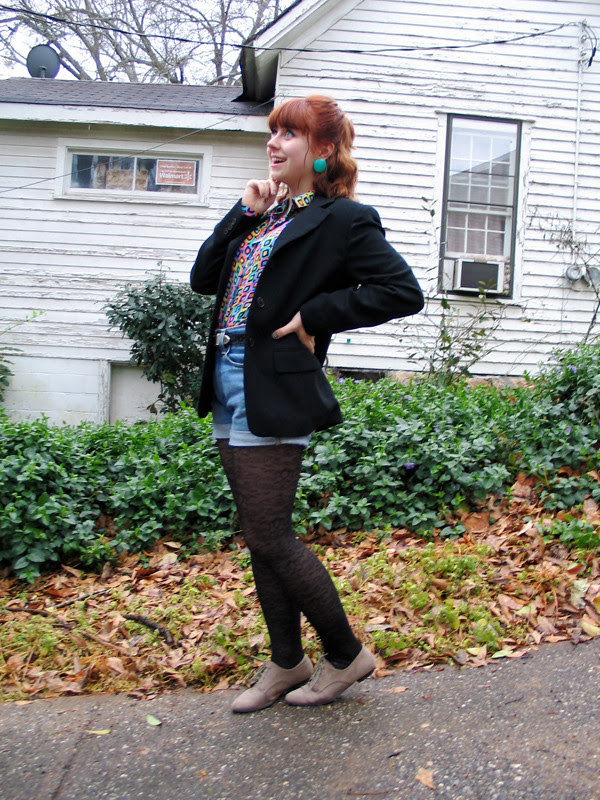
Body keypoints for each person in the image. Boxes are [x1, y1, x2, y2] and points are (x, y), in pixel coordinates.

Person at [190, 95, 424, 713]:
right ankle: (287, 661)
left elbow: (401, 291)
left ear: (321, 150)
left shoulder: (343, 219)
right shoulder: (265, 214)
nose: (273, 143)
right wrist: (242, 213)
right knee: (260, 535)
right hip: (229, 377)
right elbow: (202, 278)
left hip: (276, 382)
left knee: (271, 535)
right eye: (272, 133)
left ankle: (346, 654)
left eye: (288, 134)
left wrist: (315, 316)